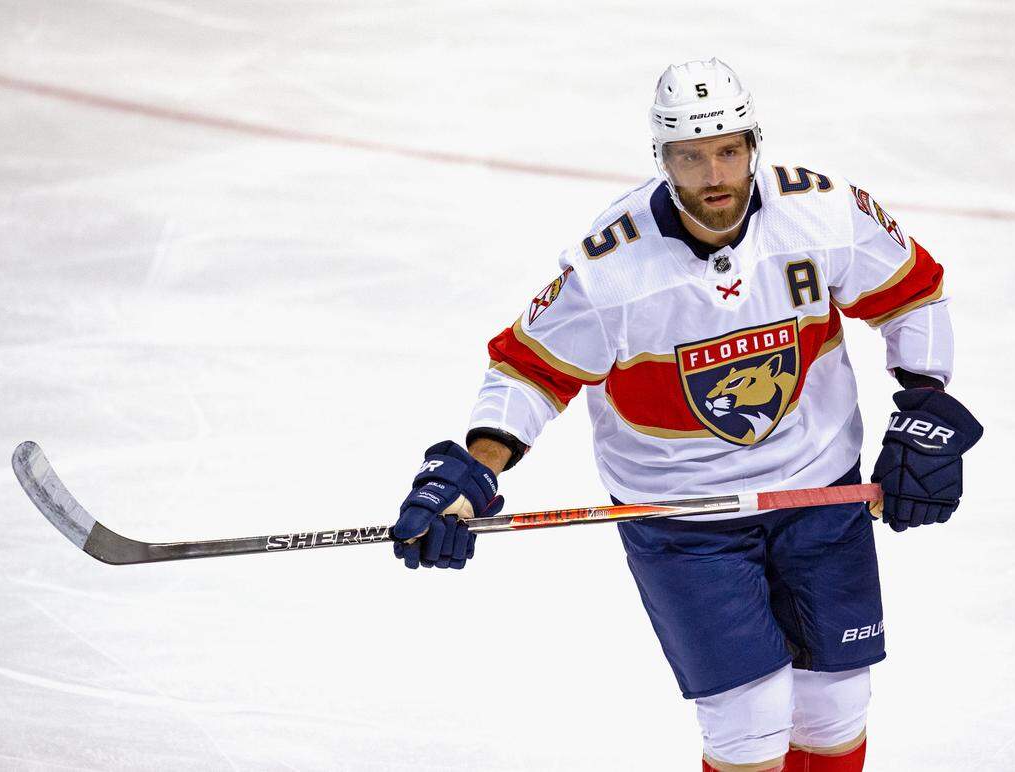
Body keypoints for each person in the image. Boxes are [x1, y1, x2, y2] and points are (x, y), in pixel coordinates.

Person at [390, 58, 983, 772]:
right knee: (750, 721)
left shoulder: (822, 212)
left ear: (753, 144)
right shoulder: (613, 266)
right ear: (662, 158)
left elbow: (913, 293)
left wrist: (926, 405)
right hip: (681, 518)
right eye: (691, 156)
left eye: (729, 150)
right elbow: (529, 370)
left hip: (818, 488)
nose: (714, 175)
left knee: (834, 708)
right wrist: (471, 472)